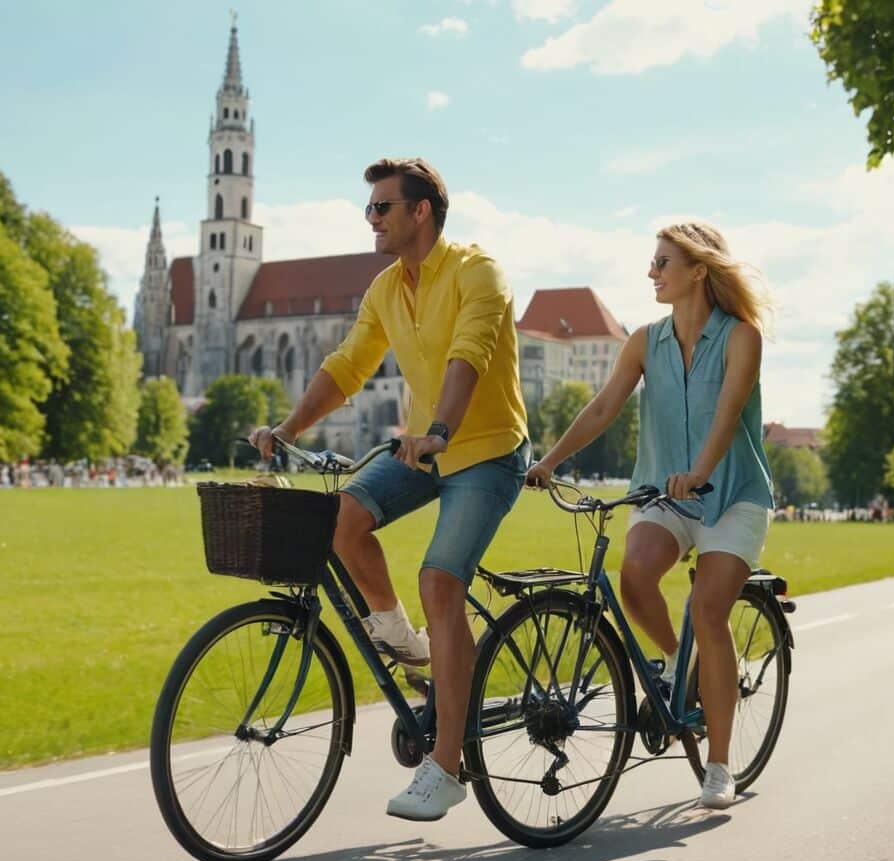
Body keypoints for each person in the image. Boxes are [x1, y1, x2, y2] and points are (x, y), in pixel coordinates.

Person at [250, 157, 529, 821]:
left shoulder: (476, 272)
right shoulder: (386, 287)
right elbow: (347, 367)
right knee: (343, 517)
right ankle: (409, 644)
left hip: (485, 452)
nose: (369, 218)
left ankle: (448, 766)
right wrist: (286, 428)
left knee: (441, 581)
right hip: (423, 447)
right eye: (370, 208)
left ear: (419, 211)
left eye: (380, 208)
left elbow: (471, 353)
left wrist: (438, 429)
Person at [525, 221, 773, 811]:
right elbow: (605, 405)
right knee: (634, 575)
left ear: (697, 272)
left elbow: (728, 412)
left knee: (707, 611)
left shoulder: (741, 336)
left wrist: (700, 470)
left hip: (731, 495)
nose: (651, 272)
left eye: (662, 263)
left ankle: (718, 766)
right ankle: (670, 662)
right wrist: (550, 462)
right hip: (663, 497)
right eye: (653, 262)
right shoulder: (645, 340)